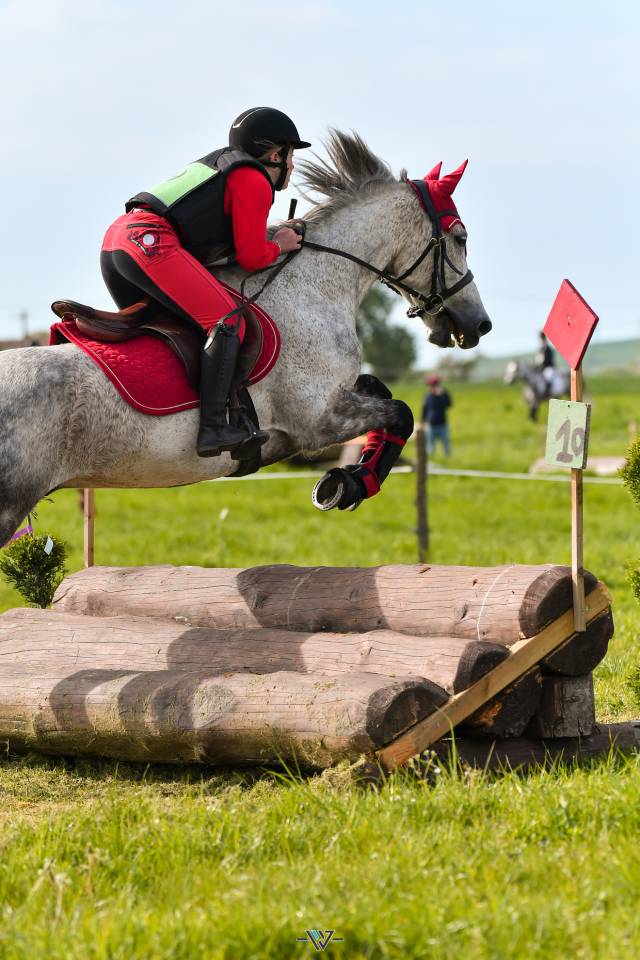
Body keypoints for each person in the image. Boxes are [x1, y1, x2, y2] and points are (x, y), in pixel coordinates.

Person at [100, 107, 311, 459]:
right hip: (149, 243)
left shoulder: (222, 165)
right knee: (229, 320)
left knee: (183, 329)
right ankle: (214, 427)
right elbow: (252, 257)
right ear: (275, 155)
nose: (291, 165)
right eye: (291, 156)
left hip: (117, 242)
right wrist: (282, 244)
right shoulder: (254, 177)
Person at [422, 375, 453, 457]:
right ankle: (432, 460)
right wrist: (423, 422)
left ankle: (448, 458)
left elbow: (449, 404)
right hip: (431, 425)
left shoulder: (444, 394)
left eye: (433, 385)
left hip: (442, 424)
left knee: (446, 444)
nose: (431, 387)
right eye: (430, 385)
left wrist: (440, 396)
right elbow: (424, 410)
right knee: (430, 446)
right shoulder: (427, 396)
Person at [535, 331, 555, 398]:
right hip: (541, 368)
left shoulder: (547, 348)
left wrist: (542, 364)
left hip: (548, 367)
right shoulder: (540, 349)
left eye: (541, 338)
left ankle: (549, 393)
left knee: (548, 376)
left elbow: (548, 359)